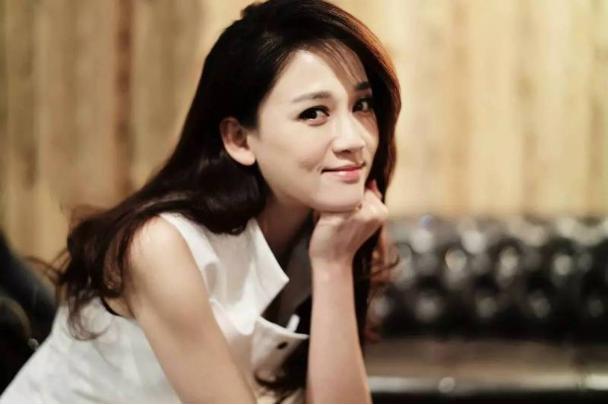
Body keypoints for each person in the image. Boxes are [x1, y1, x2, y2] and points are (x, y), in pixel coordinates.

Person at [0, 0, 401, 402]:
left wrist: (333, 264)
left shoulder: (339, 232)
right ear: (239, 139)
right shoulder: (160, 246)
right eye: (314, 113)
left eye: (362, 105)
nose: (353, 139)